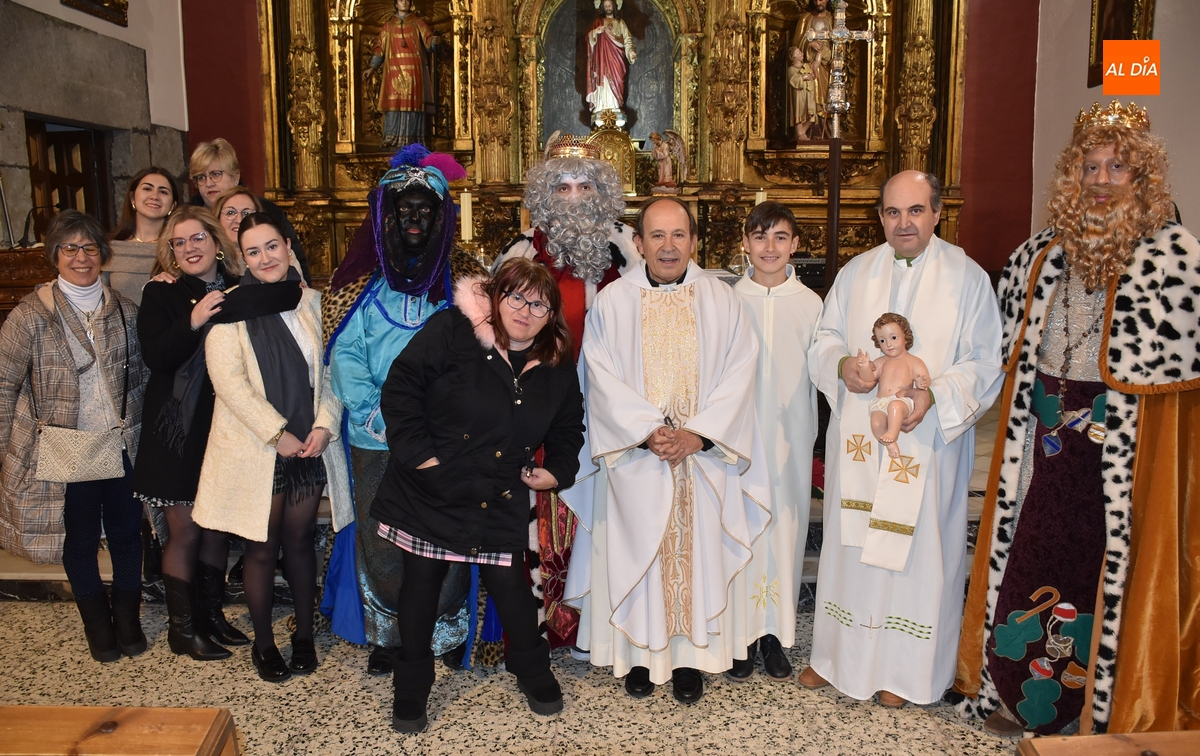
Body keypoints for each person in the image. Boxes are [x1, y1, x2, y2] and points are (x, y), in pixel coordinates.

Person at [956, 101, 1200, 736]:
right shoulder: (1039, 255)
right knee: (1027, 551)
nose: (1100, 181)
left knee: (1103, 569)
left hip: (1118, 450)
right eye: (1089, 167)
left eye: (1117, 167)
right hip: (1042, 441)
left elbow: (1176, 394)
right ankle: (1013, 692)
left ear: (1142, 177)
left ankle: (1098, 704)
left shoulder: (1174, 260)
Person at [799, 171, 1002, 708]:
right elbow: (825, 339)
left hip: (926, 441)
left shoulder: (967, 278)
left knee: (916, 550)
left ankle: (905, 671)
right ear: (880, 217)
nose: (903, 222)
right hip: (861, 443)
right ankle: (836, 657)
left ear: (937, 213)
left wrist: (933, 397)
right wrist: (842, 367)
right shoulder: (857, 272)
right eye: (893, 212)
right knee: (852, 542)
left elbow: (984, 361)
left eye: (915, 210)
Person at [563, 197, 771, 705]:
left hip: (702, 459)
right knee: (639, 549)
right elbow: (598, 377)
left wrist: (698, 435)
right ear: (639, 243)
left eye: (679, 235)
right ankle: (638, 657)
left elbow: (741, 374)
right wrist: (645, 431)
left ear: (694, 241)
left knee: (698, 556)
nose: (668, 246)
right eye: (657, 235)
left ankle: (689, 661)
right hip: (637, 457)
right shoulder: (612, 302)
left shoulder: (723, 301)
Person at [375, 257, 585, 731]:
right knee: (421, 583)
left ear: (551, 315)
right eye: (516, 297)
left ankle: (532, 671)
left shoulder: (555, 363)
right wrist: (422, 458)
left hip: (498, 490)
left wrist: (557, 470)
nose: (525, 311)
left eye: (539, 304)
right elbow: (401, 387)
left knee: (511, 587)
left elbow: (569, 426)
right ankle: (411, 689)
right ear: (496, 297)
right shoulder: (454, 330)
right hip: (432, 484)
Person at [321, 144, 481, 676]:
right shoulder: (358, 285)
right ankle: (390, 633)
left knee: (447, 535)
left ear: (441, 217)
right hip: (376, 435)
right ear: (386, 216)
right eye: (403, 209)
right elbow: (345, 355)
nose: (414, 218)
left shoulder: (465, 282)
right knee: (382, 537)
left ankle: (446, 628)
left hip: (443, 438)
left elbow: (478, 356)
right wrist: (379, 417)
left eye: (425, 210)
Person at [192, 213, 351, 683]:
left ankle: (304, 636)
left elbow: (334, 372)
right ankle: (264, 643)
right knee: (262, 548)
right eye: (254, 251)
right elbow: (229, 384)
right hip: (257, 449)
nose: (265, 258)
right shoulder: (229, 309)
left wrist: (325, 426)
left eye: (272, 246)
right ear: (243, 258)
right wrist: (275, 433)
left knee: (300, 542)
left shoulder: (315, 303)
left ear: (288, 246)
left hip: (308, 445)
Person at [495, 135, 640, 648]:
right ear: (544, 193)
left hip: (612, 405)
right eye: (562, 186)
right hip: (542, 407)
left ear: (602, 192)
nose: (574, 196)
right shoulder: (520, 252)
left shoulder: (629, 250)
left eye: (585, 185)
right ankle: (543, 624)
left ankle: (603, 626)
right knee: (543, 515)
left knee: (606, 512)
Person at [0, 210, 149, 662]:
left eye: (89, 247)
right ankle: (98, 627)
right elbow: (4, 383)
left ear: (102, 255)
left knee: (127, 534)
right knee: (80, 540)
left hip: (119, 444)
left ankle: (128, 621)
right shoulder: (31, 315)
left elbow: (142, 380)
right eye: (70, 248)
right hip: (66, 449)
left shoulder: (124, 310)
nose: (80, 257)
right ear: (54, 256)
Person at [729, 201, 823, 683]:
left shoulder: (812, 305)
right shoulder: (727, 300)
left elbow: (826, 370)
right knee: (741, 528)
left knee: (784, 531)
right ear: (745, 243)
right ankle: (739, 636)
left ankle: (773, 635)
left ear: (795, 244)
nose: (770, 247)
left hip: (790, 439)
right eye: (760, 236)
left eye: (780, 237)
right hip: (739, 439)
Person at [188, 138, 312, 284]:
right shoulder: (191, 221)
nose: (208, 183)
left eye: (215, 174)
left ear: (235, 177)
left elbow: (295, 260)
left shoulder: (266, 210)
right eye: (201, 177)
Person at [363, 0, 438, 148]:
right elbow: (380, 50)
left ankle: (412, 141)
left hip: (414, 72)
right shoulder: (388, 26)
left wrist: (434, 42)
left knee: (412, 105)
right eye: (401, 0)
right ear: (396, 4)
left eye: (407, 0)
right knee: (394, 103)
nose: (404, 2)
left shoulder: (418, 23)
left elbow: (429, 43)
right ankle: (391, 138)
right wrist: (371, 68)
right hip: (394, 71)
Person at [856, 313, 931, 459]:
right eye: (882, 341)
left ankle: (892, 433)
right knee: (876, 423)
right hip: (880, 402)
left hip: (901, 400)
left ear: (905, 337)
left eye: (894, 338)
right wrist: (864, 367)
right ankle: (890, 444)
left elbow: (923, 376)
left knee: (895, 407)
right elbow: (868, 377)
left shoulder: (912, 361)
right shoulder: (882, 362)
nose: (888, 344)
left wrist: (923, 382)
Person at [586, 0, 637, 117]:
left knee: (617, 80)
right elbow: (589, 38)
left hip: (617, 57)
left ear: (614, 6)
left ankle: (615, 105)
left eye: (609, 5)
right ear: (603, 7)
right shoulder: (598, 22)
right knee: (603, 79)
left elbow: (627, 40)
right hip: (602, 59)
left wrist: (631, 52)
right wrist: (596, 31)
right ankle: (602, 105)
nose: (608, 7)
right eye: (606, 6)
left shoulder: (620, 23)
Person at [792, 0, 832, 138]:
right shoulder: (806, 18)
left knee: (827, 96)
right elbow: (796, 43)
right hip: (810, 65)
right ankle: (811, 130)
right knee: (811, 97)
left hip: (826, 65)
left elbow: (839, 41)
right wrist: (810, 43)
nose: (818, 2)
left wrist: (834, 57)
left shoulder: (833, 18)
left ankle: (827, 131)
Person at [112, 167, 180, 244]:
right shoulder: (110, 247)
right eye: (147, 189)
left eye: (163, 192)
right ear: (132, 198)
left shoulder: (180, 247)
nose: (154, 197)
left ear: (173, 205)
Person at [786, 46, 820, 143]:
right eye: (798, 53)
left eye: (801, 52)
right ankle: (800, 133)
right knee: (799, 114)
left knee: (812, 115)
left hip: (809, 94)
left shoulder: (807, 66)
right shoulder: (791, 69)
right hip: (799, 95)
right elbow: (793, 80)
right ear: (793, 57)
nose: (802, 54)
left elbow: (816, 65)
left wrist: (819, 52)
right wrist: (803, 77)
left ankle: (802, 132)